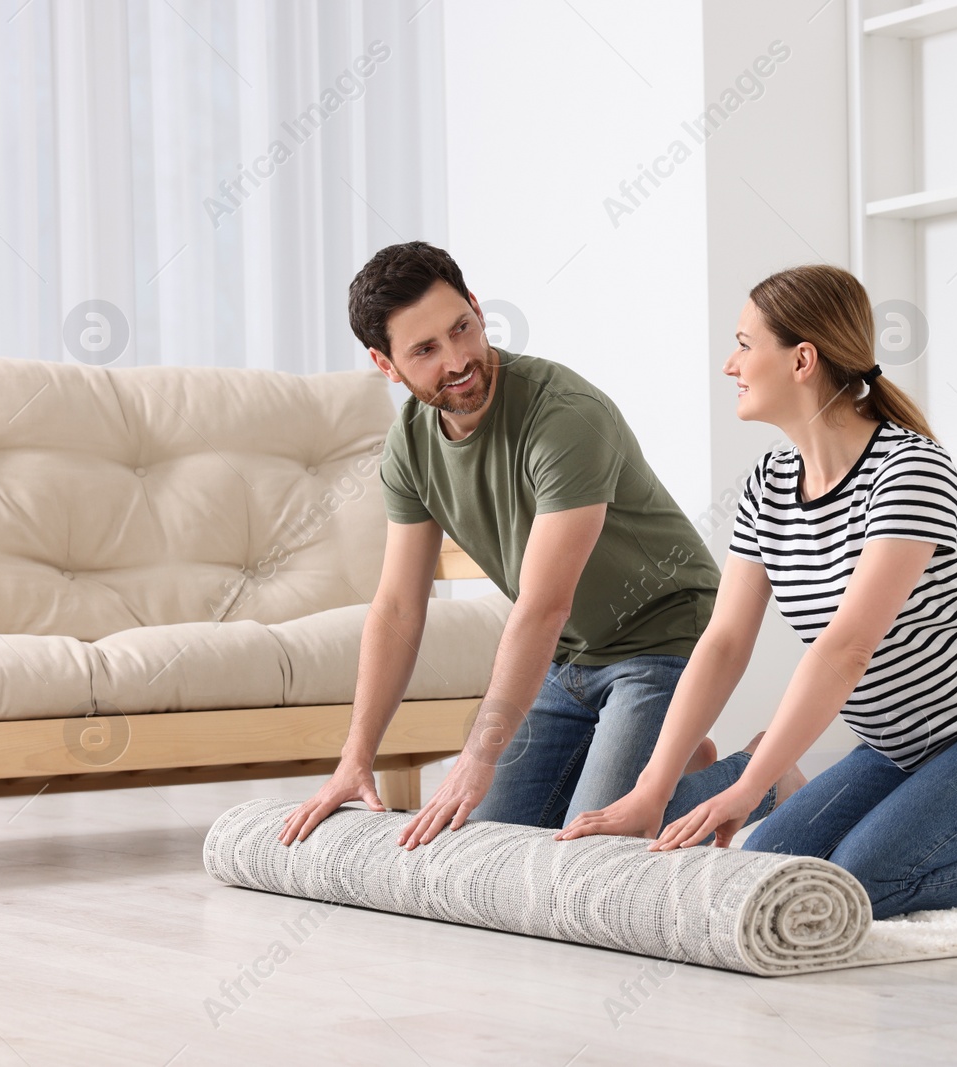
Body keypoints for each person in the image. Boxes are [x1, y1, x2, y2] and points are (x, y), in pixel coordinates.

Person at [558, 264, 957, 919]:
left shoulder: (909, 471)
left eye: (744, 343)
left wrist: (751, 784)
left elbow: (846, 647)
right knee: (774, 878)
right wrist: (650, 788)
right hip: (901, 744)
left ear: (802, 360)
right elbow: (726, 641)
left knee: (862, 883)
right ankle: (820, 802)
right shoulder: (767, 484)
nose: (730, 363)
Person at [279, 242, 799, 850]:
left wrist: (478, 756)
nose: (457, 360)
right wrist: (355, 759)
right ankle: (666, 763)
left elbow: (544, 605)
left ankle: (765, 776)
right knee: (479, 840)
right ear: (385, 364)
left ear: (476, 308)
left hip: (664, 639)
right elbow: (396, 608)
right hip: (567, 660)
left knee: (593, 844)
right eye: (424, 350)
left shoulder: (563, 416)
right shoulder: (411, 446)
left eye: (462, 329)